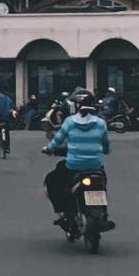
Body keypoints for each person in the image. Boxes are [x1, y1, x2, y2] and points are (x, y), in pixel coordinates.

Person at [42, 91, 114, 232]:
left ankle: (63, 212)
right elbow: (106, 145)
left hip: (73, 165)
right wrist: (105, 150)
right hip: (95, 165)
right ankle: (103, 215)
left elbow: (57, 140)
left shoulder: (70, 121)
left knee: (51, 180)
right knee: (101, 183)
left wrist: (48, 149)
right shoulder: (100, 123)